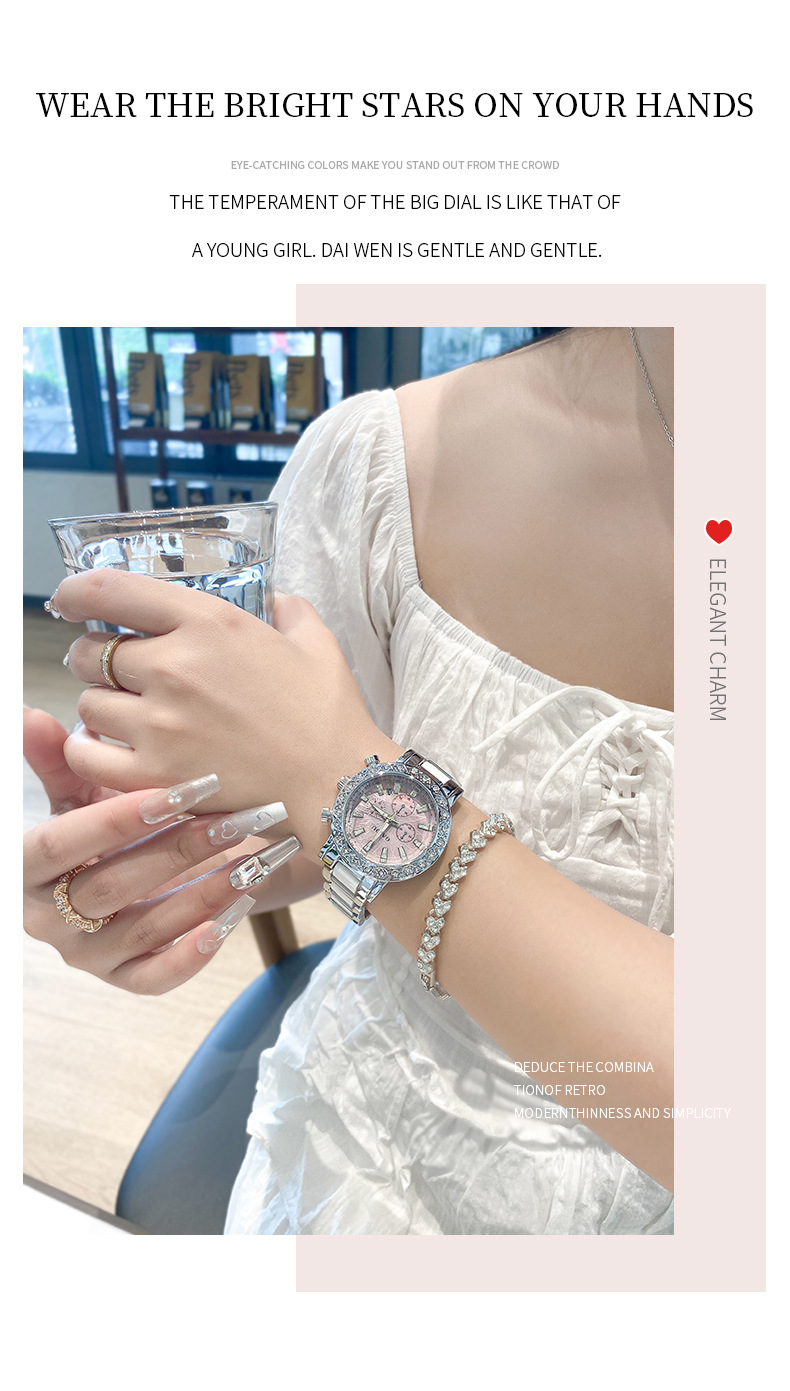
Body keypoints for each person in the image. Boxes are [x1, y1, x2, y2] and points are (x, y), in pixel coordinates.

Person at [24, 326, 674, 1235]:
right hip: (367, 1151)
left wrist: (334, 774)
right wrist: (168, 856)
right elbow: (297, 829)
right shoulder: (381, 457)